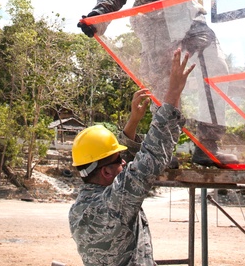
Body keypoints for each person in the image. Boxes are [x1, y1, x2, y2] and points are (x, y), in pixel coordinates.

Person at [78, 0, 235, 166]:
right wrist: (99, 14)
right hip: (157, 29)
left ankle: (208, 146)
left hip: (187, 18)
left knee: (216, 65)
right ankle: (163, 153)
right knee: (166, 91)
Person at [69, 48, 193, 266]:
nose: (125, 162)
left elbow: (130, 171)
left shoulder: (81, 207)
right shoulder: (114, 204)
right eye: (119, 160)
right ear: (106, 172)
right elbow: (151, 157)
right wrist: (173, 92)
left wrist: (134, 121)